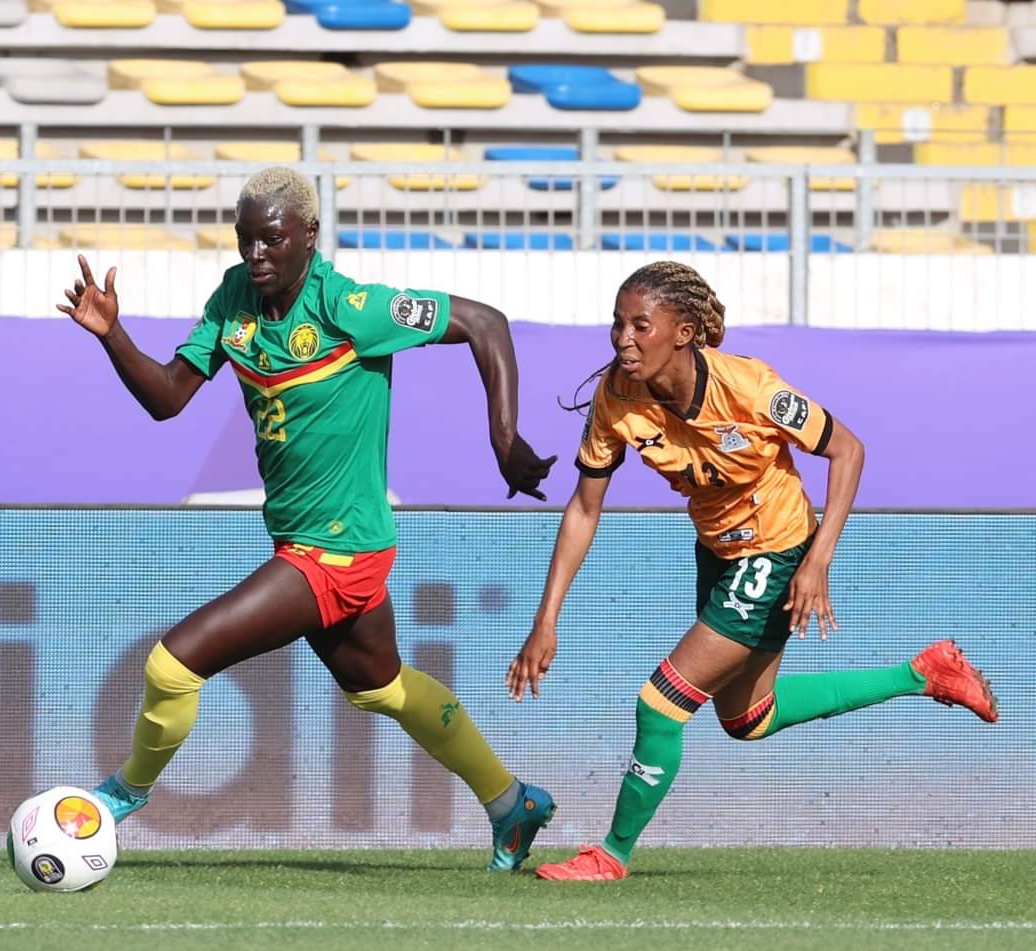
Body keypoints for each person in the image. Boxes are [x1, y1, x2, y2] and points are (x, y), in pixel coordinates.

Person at [58, 166, 558, 871]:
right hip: (307, 542)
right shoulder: (234, 299)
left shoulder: (353, 307)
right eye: (245, 240)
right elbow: (168, 397)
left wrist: (503, 439)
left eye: (271, 240)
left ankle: (122, 796)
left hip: (336, 551)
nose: (255, 254)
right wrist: (113, 334)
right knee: (381, 687)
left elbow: (485, 323)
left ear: (310, 235)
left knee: (173, 665)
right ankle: (512, 803)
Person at [506, 260, 997, 882]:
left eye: (640, 325)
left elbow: (848, 449)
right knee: (748, 718)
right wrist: (546, 619)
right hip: (718, 550)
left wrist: (817, 560)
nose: (623, 339)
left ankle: (611, 855)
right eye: (617, 323)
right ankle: (924, 673)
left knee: (660, 705)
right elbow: (584, 507)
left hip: (777, 549)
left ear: (684, 333)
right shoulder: (616, 395)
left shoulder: (751, 388)